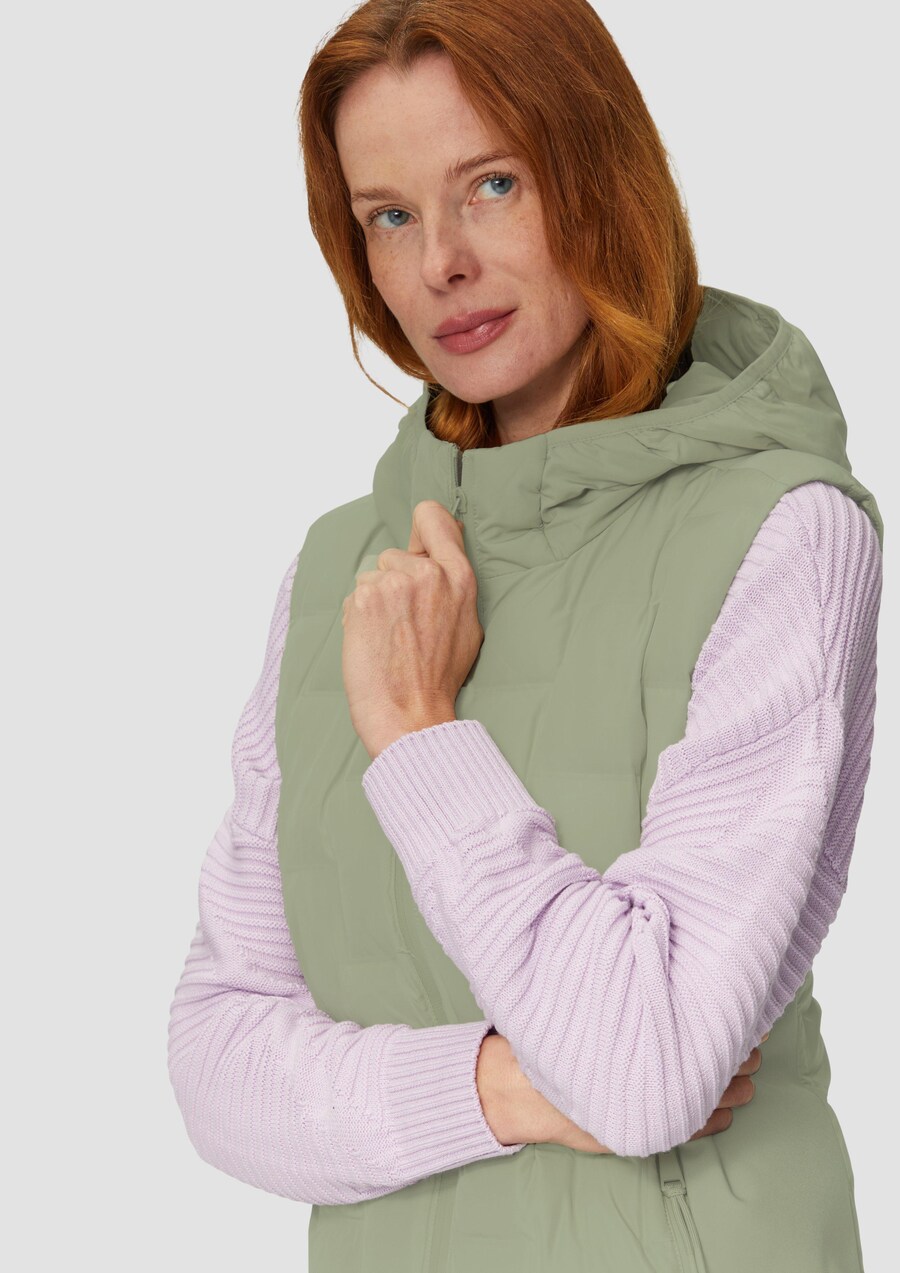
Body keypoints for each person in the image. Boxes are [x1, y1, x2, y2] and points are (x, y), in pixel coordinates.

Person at [167, 2, 884, 1270]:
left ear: (599, 175)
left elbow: (647, 1065)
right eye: (390, 215)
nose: (439, 261)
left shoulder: (781, 531)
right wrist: (501, 1089)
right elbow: (218, 1059)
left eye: (491, 185)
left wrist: (415, 732)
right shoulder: (345, 572)